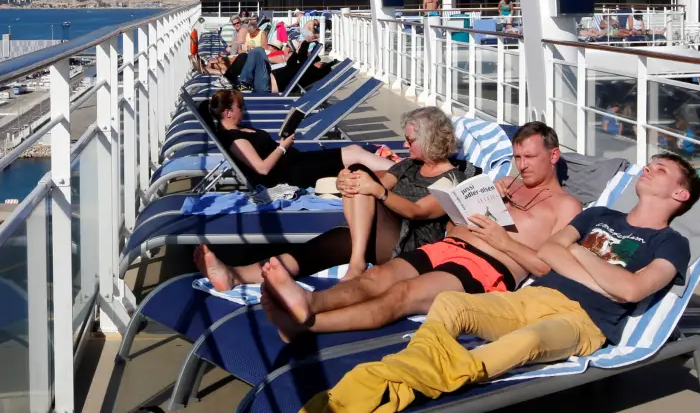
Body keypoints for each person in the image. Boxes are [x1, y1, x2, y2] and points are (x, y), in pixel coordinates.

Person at [300, 154, 700, 412]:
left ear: (680, 193)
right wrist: (594, 267)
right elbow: (550, 251)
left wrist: (578, 255)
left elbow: (632, 291)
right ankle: (398, 380)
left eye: (660, 169)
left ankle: (381, 384)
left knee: (527, 341)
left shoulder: (672, 243)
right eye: (650, 163)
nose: (648, 167)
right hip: (533, 298)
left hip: (582, 322)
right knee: (450, 304)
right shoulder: (599, 215)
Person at [260, 122, 582, 342]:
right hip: (448, 245)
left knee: (402, 295)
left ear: (553, 155)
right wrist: (469, 208)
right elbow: (455, 225)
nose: (522, 165)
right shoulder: (506, 184)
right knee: (374, 278)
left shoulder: (566, 207)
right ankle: (310, 301)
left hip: (487, 267)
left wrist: (503, 242)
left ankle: (307, 325)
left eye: (530, 157)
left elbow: (549, 267)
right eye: (517, 157)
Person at [197, 107, 478, 288]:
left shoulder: (456, 176)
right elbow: (382, 180)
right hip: (379, 234)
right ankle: (235, 276)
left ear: (430, 140)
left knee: (363, 181)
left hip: (411, 246)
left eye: (410, 141)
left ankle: (356, 263)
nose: (405, 145)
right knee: (314, 250)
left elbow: (419, 211)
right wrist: (347, 180)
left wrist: (376, 190)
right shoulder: (409, 165)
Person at [206, 89, 396, 188]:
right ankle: (403, 171)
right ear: (228, 112)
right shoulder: (234, 139)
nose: (243, 109)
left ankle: (397, 170)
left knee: (354, 150)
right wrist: (282, 147)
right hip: (292, 174)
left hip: (296, 162)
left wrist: (283, 143)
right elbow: (262, 169)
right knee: (355, 155)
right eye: (240, 107)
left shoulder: (240, 129)